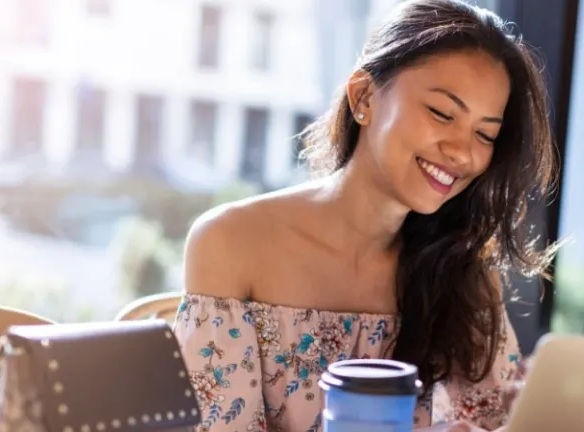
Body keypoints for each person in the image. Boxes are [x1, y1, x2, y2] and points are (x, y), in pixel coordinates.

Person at [175, 0, 557, 430]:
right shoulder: (231, 243)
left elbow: (493, 420)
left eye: (485, 134)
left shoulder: (465, 275)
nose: (463, 153)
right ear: (364, 97)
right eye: (442, 113)